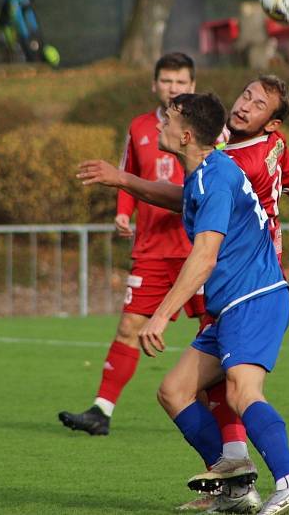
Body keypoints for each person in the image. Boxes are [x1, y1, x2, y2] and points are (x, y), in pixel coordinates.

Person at [79, 76, 289, 513]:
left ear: (186, 136)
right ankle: (235, 489)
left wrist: (161, 314)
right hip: (230, 304)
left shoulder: (219, 175)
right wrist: (123, 180)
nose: (159, 129)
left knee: (242, 393)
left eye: (167, 123)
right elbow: (182, 198)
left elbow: (204, 257)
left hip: (255, 297)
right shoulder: (207, 171)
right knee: (173, 391)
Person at [59, 52, 203, 436]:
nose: (174, 88)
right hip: (153, 249)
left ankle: (229, 414)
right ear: (154, 84)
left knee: (217, 329)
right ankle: (101, 411)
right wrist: (123, 212)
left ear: (193, 85)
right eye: (167, 81)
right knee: (129, 327)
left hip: (200, 249)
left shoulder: (209, 131)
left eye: (181, 82)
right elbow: (129, 176)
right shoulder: (140, 127)